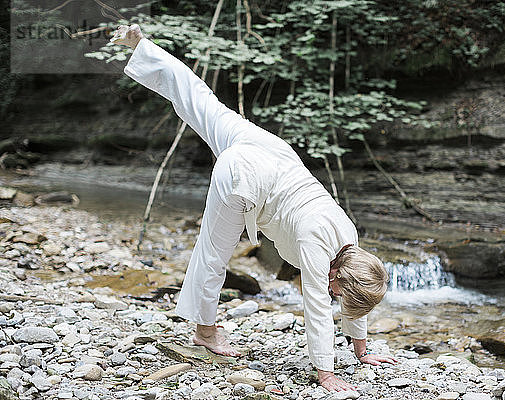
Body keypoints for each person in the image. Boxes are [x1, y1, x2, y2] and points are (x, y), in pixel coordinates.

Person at [112, 24, 396, 392]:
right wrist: (326, 372)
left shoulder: (351, 242)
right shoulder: (317, 246)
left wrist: (361, 351)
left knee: (203, 101)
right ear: (339, 276)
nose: (334, 295)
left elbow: (353, 299)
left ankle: (140, 45)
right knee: (214, 252)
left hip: (272, 153)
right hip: (246, 175)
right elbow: (316, 308)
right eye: (338, 292)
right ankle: (205, 333)